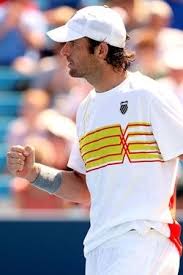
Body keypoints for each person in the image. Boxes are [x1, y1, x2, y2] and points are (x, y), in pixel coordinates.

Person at [7, 5, 183, 275]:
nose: (64, 51)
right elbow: (82, 188)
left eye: (73, 44)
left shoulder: (148, 96)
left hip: (144, 239)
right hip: (100, 245)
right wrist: (33, 173)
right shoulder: (87, 108)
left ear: (101, 50)